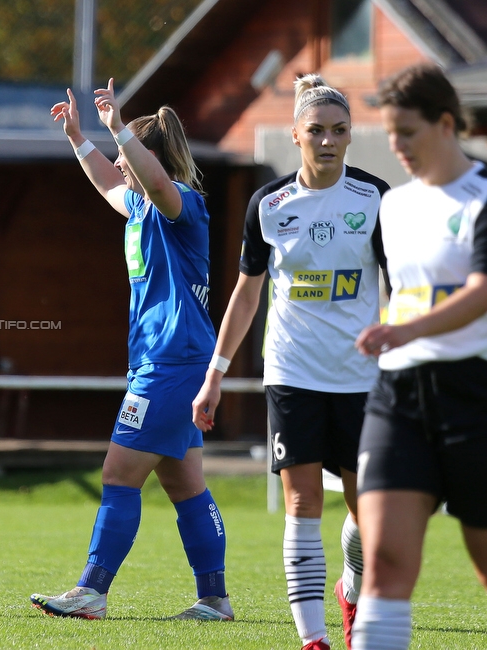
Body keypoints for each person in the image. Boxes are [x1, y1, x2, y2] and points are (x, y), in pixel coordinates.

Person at [191, 74, 389, 650]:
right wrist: (215, 377)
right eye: (317, 131)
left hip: (362, 379)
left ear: (350, 137)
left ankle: (351, 588)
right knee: (302, 502)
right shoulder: (269, 205)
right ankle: (314, 640)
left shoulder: (377, 199)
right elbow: (247, 292)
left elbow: (399, 288)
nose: (329, 141)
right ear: (296, 136)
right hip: (293, 373)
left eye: (340, 131)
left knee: (368, 511)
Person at [29, 79, 232, 621]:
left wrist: (119, 129)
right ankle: (214, 599)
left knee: (119, 474)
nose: (120, 165)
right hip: (167, 361)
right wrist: (79, 138)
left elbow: (158, 182)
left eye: (126, 157)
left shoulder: (179, 203)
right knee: (185, 483)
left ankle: (92, 590)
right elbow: (105, 181)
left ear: (147, 158)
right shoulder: (140, 209)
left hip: (172, 362)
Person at [351, 63, 487, 650]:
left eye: (406, 132)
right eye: (388, 135)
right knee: (381, 564)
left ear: (446, 123)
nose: (396, 146)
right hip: (398, 397)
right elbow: (398, 292)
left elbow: (481, 294)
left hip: (473, 395)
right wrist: (393, 336)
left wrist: (405, 332)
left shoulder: (483, 196)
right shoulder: (394, 206)